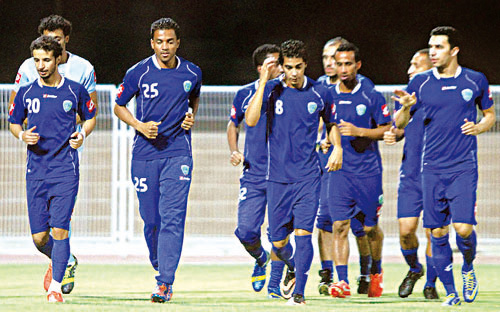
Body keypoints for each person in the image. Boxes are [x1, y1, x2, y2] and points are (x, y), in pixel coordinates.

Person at [394, 26, 495, 306]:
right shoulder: (421, 83)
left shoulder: (475, 80)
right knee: (437, 231)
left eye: (439, 47)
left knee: (463, 229)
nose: (433, 52)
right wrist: (404, 108)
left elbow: (489, 115)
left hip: (463, 167)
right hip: (431, 169)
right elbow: (400, 124)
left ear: (454, 50)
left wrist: (480, 127)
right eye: (431, 47)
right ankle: (450, 293)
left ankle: (468, 266)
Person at [246, 39, 343, 305]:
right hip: (277, 179)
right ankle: (291, 265)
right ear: (282, 67)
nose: (294, 73)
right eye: (288, 67)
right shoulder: (272, 90)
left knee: (303, 234)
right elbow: (251, 120)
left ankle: (299, 293)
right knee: (278, 241)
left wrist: (338, 148)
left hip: (308, 177)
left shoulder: (321, 92)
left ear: (305, 65)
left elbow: (332, 124)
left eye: (298, 67)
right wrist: (264, 81)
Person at [113, 18, 201, 303]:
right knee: (152, 220)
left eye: (170, 41)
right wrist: (139, 125)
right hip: (144, 155)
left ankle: (165, 281)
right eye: (159, 41)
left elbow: (193, 98)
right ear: (152, 43)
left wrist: (191, 116)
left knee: (173, 219)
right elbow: (118, 106)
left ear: (178, 43)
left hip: (178, 153)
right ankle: (160, 261)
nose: (165, 47)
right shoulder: (138, 72)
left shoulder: (192, 72)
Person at [8, 14, 98, 294]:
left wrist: (82, 134)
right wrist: (22, 134)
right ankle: (66, 260)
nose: (40, 65)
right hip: (35, 169)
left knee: (60, 231)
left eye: (46, 59)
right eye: (37, 60)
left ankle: (56, 287)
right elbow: (13, 118)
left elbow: (92, 114)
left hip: (65, 169)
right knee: (39, 238)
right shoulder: (27, 88)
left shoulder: (78, 83)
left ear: (59, 55)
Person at [327, 42, 390, 299]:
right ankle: (342, 282)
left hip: (368, 172)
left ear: (358, 65)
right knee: (339, 225)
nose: (343, 69)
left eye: (348, 64)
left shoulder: (371, 95)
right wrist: (333, 144)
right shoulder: (327, 94)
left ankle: (376, 271)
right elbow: (329, 124)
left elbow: (388, 129)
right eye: (339, 63)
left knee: (368, 229)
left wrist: (360, 131)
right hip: (341, 172)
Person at [316, 37, 376, 295]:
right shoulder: (318, 87)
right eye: (326, 58)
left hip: (359, 167)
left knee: (361, 225)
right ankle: (329, 275)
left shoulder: (365, 88)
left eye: (335, 58)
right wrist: (321, 140)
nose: (331, 64)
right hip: (326, 165)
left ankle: (367, 272)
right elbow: (317, 124)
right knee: (326, 220)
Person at [227, 44, 286, 298]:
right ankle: (261, 258)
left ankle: (275, 284)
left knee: (279, 233)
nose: (281, 68)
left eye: (280, 63)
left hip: (283, 175)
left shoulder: (290, 91)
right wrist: (234, 149)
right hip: (253, 174)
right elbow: (233, 125)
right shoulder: (244, 93)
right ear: (262, 68)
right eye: (275, 63)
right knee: (246, 231)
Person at [384, 49, 439, 299]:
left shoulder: (444, 97)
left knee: (433, 231)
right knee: (406, 231)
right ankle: (415, 269)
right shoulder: (408, 97)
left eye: (415, 65)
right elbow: (399, 125)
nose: (409, 70)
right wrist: (394, 131)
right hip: (411, 174)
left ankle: (431, 282)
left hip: (438, 175)